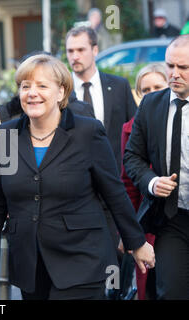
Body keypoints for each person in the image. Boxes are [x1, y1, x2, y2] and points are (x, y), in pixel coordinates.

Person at [0, 54, 155, 300]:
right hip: (30, 265)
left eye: (42, 86)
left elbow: (114, 193)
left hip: (82, 260)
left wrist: (136, 242)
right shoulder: (7, 136)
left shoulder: (87, 132)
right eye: (25, 86)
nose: (32, 93)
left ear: (60, 92)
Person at [124, 34, 189, 299]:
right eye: (169, 66)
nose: (174, 74)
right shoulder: (151, 105)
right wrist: (152, 182)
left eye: (183, 68)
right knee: (170, 292)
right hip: (172, 218)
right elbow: (132, 157)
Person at [66, 26, 137, 263]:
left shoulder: (118, 86)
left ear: (95, 50)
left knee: (117, 264)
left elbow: (134, 136)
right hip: (77, 195)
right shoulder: (60, 94)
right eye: (70, 51)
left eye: (80, 49)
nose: (75, 56)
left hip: (116, 189)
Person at [119, 63, 168, 300]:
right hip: (146, 225)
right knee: (149, 289)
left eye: (158, 87)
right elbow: (127, 184)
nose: (152, 94)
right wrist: (128, 232)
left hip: (175, 222)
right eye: (145, 89)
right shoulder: (129, 130)